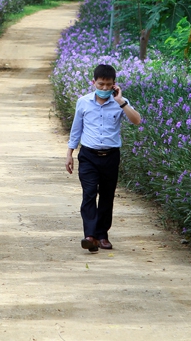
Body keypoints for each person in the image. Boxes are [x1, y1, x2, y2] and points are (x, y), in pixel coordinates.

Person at [65, 64, 141, 252]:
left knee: (107, 196)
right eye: (101, 84)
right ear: (94, 83)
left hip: (111, 156)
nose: (105, 88)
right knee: (89, 194)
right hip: (88, 155)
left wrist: (121, 101)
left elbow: (137, 120)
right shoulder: (83, 102)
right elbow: (76, 129)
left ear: (115, 85)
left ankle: (102, 235)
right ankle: (90, 236)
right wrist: (69, 154)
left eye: (108, 85)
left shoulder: (120, 102)